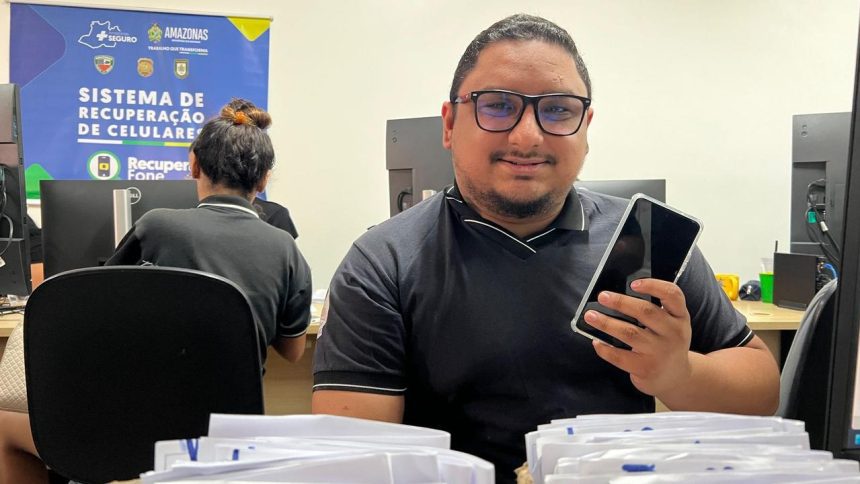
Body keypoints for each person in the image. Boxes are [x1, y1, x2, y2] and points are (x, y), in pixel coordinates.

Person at [311, 14, 780, 482]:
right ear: (450, 124)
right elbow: (357, 462)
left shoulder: (643, 242)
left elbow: (761, 393)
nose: (528, 136)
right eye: (497, 105)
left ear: (585, 127)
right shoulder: (384, 263)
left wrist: (679, 375)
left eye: (558, 110)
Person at [0, 99, 312, 483]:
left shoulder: (157, 226)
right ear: (263, 180)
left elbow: (96, 303)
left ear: (194, 165)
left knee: (4, 427)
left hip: (135, 431)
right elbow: (293, 352)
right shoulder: (286, 248)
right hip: (228, 443)